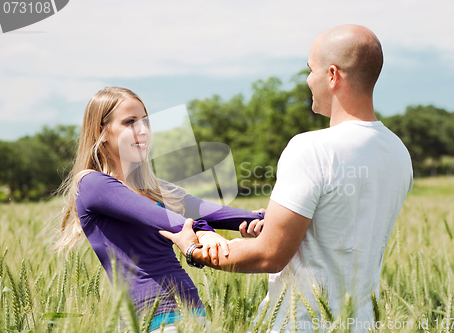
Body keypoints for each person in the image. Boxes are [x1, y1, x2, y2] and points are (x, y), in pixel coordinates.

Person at [161, 24, 413, 332]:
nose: (308, 80)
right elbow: (344, 230)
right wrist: (283, 228)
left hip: (301, 324)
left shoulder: (311, 148)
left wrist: (194, 249)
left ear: (332, 75)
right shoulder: (399, 154)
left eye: (311, 70)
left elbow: (270, 256)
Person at [54, 87, 265, 333]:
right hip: (152, 321)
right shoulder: (92, 184)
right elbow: (170, 220)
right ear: (101, 132)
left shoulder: (155, 189)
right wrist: (204, 232)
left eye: (145, 121)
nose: (142, 130)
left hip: (194, 314)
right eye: (130, 122)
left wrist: (264, 219)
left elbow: (215, 212)